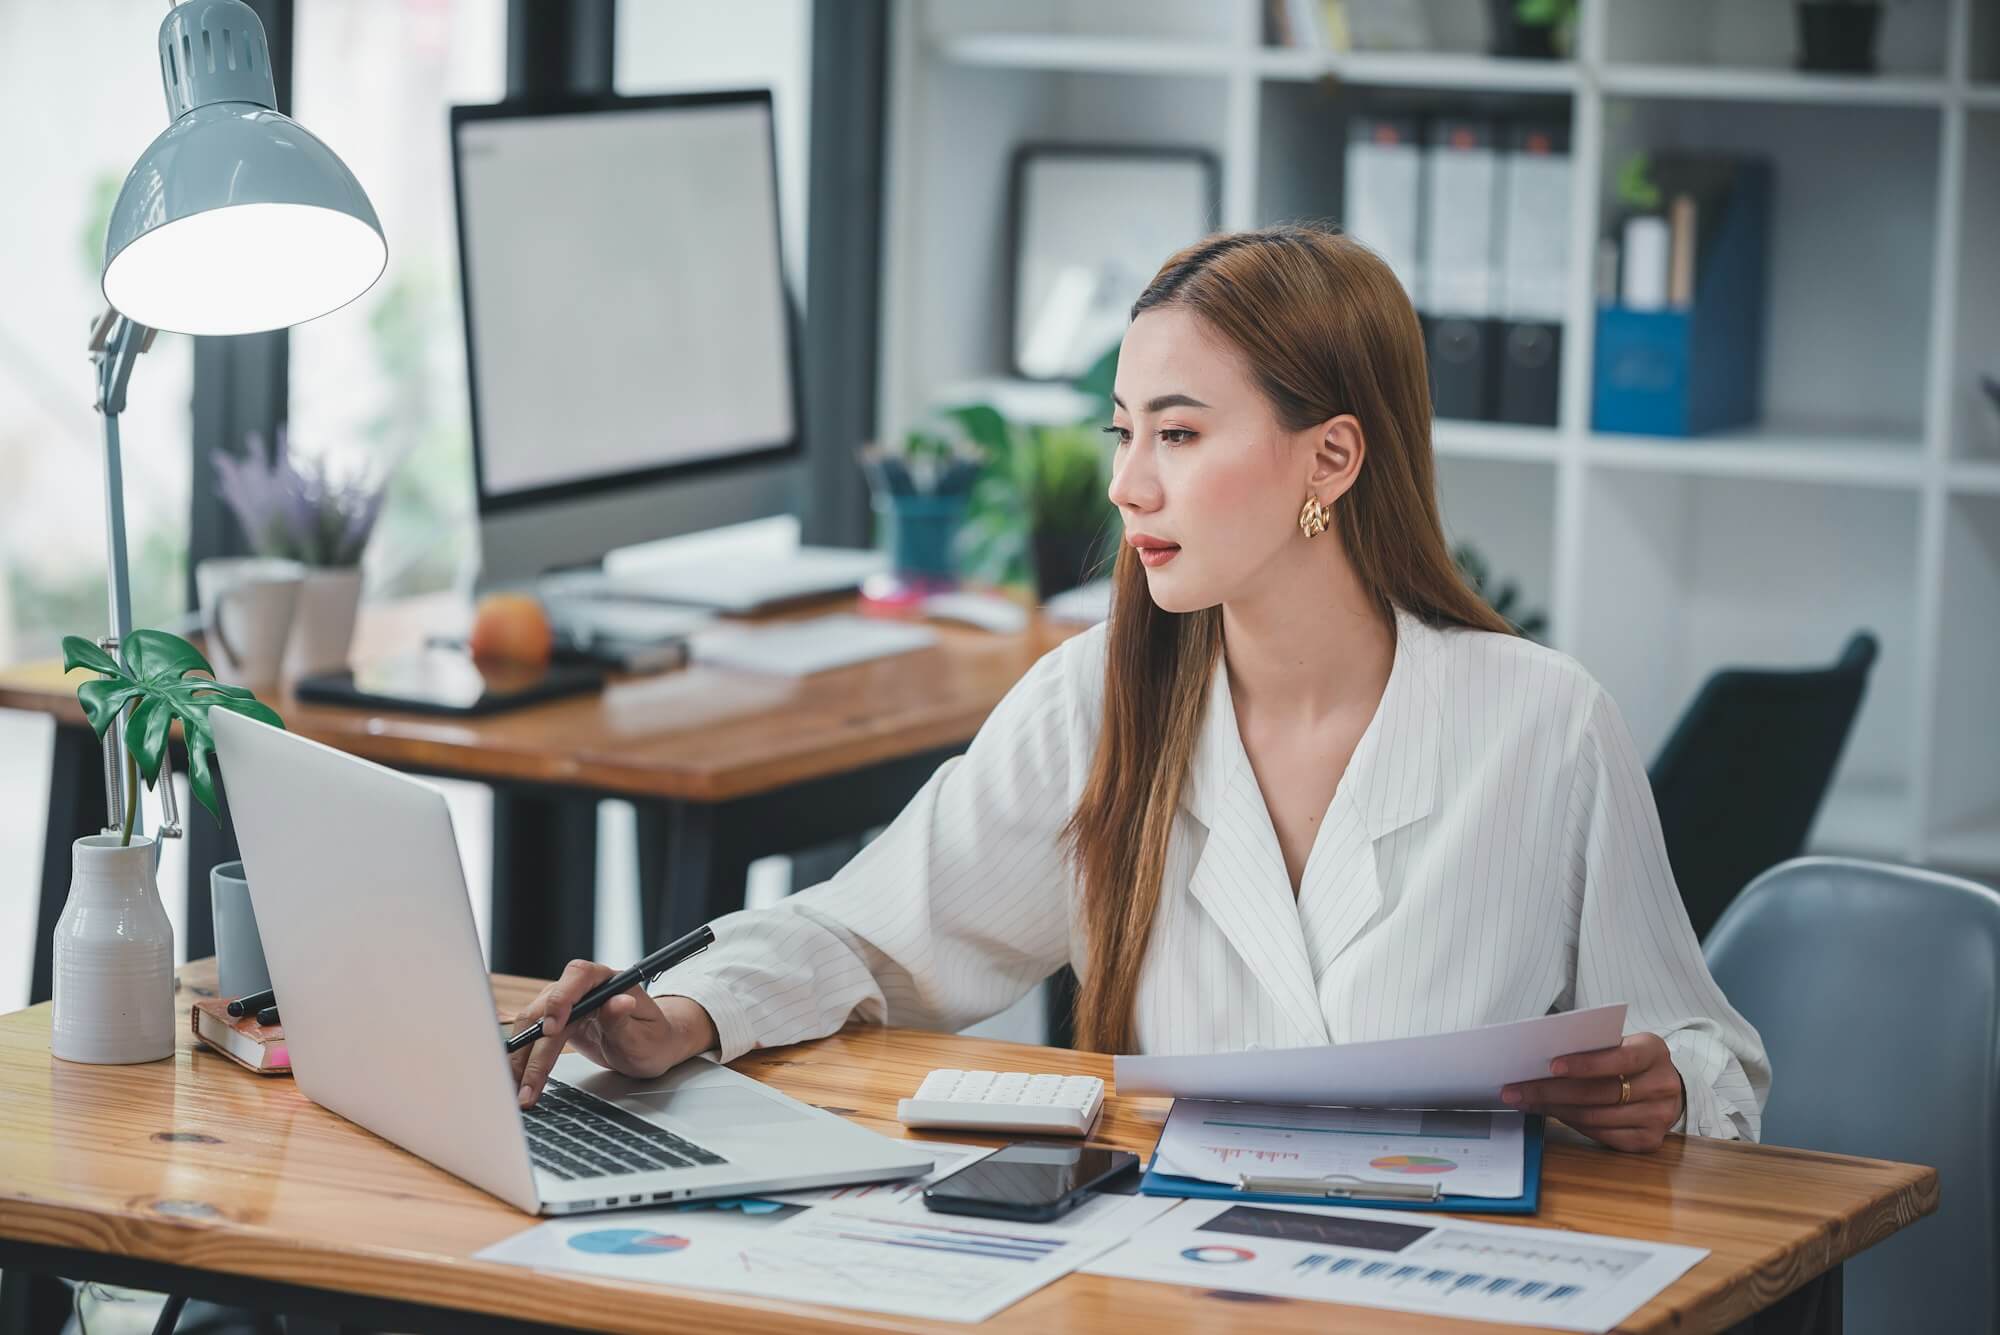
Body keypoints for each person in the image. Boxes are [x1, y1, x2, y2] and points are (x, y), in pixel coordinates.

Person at [509, 225, 1769, 1152]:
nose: (1127, 485)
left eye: (1177, 433)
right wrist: (681, 1010)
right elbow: (865, 933)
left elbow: (1711, 1062)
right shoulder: (1100, 702)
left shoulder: (1542, 728)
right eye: (1124, 432)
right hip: (1171, 1281)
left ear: (1329, 457)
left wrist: (1666, 1088)